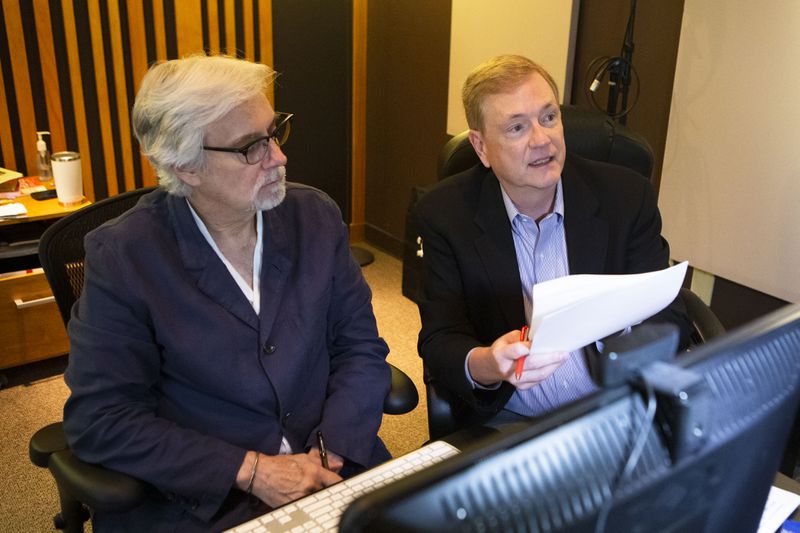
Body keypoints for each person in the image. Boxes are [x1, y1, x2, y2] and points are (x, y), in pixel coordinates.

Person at [62, 55, 391, 531]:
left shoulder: (314, 217)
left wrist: (331, 449)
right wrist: (251, 471)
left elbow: (360, 347)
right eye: (251, 147)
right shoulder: (124, 256)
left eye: (274, 132)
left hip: (335, 468)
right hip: (207, 502)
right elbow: (102, 418)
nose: (278, 156)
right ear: (185, 166)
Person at [414, 54, 692, 427]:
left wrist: (612, 324)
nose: (542, 139)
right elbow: (440, 339)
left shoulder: (626, 197)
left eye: (549, 117)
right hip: (511, 422)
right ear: (481, 148)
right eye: (516, 128)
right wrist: (488, 363)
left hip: (616, 415)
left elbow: (669, 315)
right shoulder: (444, 214)